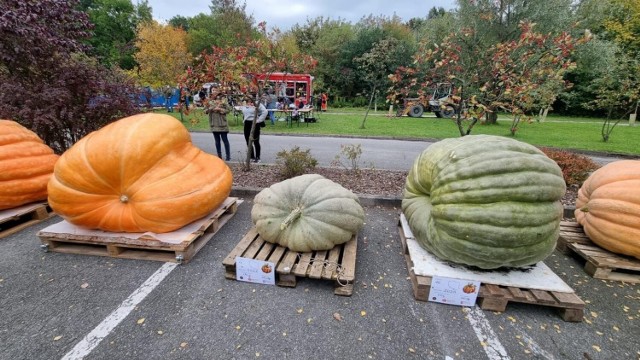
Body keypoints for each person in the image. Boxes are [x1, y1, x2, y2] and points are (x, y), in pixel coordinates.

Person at [204, 92, 231, 161]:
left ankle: (228, 157)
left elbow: (229, 109)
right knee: (217, 141)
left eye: (215, 90)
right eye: (212, 90)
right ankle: (219, 156)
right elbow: (205, 111)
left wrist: (221, 109)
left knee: (225, 140)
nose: (214, 92)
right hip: (214, 124)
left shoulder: (223, 100)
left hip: (222, 124)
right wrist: (212, 108)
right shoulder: (209, 101)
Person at [241, 96, 267, 163]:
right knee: (248, 141)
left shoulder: (257, 103)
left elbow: (265, 111)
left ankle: (258, 157)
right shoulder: (244, 103)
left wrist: (259, 120)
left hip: (254, 123)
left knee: (256, 141)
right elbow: (243, 112)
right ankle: (251, 156)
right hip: (247, 123)